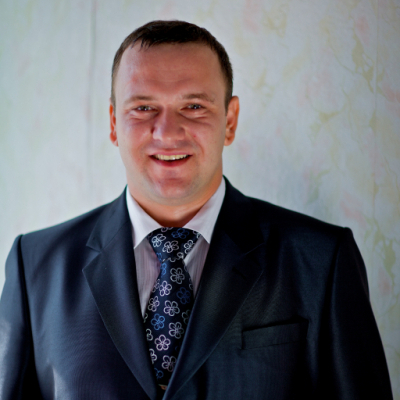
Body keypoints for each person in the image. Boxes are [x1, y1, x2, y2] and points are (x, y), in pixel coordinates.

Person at [0, 20, 393, 400]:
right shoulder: (33, 266)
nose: (167, 132)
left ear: (230, 121)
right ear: (114, 123)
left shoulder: (322, 261)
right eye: (143, 107)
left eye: (193, 106)